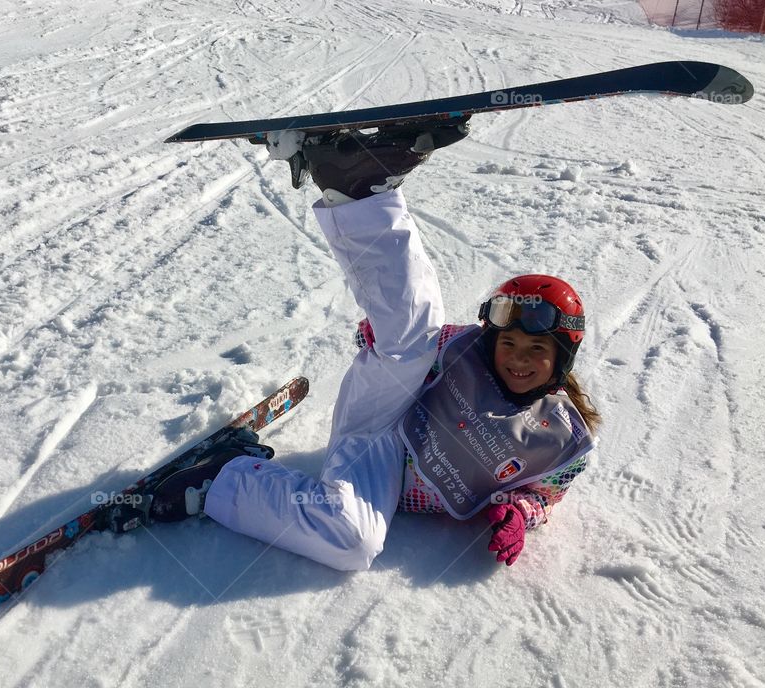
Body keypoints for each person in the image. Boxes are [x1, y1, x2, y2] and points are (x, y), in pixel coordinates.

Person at [140, 122, 601, 570]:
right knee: (412, 340)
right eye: (509, 341)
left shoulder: (559, 439)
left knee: (352, 542)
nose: (518, 358)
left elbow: (543, 493)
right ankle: (359, 189)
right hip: (382, 422)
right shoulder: (465, 350)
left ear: (562, 358)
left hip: (377, 472)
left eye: (537, 349)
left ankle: (225, 475)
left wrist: (520, 515)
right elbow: (390, 340)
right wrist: (377, 334)